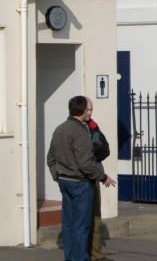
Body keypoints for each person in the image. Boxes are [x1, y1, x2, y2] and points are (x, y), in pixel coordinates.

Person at [47, 96, 116, 261]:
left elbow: (50, 158)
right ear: (83, 111)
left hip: (65, 181)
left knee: (69, 225)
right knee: (81, 226)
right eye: (89, 109)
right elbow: (86, 164)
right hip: (80, 183)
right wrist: (103, 177)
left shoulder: (59, 129)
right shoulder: (80, 132)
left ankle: (70, 258)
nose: (91, 113)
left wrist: (58, 175)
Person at [87, 117, 110, 261]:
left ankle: (95, 254)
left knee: (95, 216)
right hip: (81, 178)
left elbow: (105, 149)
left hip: (94, 175)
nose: (89, 113)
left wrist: (93, 157)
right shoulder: (75, 129)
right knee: (82, 218)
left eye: (90, 110)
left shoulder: (94, 127)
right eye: (87, 110)